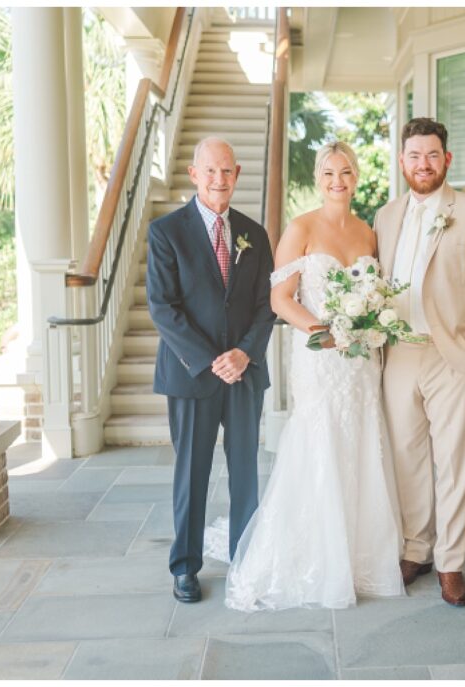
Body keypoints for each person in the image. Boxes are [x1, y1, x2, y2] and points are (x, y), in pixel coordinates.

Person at [223, 141, 405, 611]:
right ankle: (313, 557)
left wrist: (364, 325)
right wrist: (326, 330)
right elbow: (280, 298)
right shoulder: (301, 228)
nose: (337, 181)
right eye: (328, 173)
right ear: (319, 178)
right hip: (320, 355)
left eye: (345, 172)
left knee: (361, 441)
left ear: (356, 176)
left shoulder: (368, 233)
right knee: (320, 440)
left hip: (362, 361)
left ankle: (361, 555)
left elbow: (375, 295)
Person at [374, 118, 465, 607]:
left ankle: (451, 562)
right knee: (407, 459)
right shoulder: (385, 216)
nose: (423, 164)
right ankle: (417, 549)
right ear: (402, 160)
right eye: (414, 155)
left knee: (455, 462)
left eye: (432, 155)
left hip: (453, 355)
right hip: (400, 351)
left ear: (446, 159)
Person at [146, 136, 275, 603]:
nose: (220, 180)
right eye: (211, 171)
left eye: (227, 171)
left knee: (246, 470)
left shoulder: (254, 234)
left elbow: (267, 304)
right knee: (192, 471)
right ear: (193, 173)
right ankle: (185, 566)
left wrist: (244, 353)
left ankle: (246, 558)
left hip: (244, 372)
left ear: (237, 174)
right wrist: (209, 360)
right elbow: (163, 308)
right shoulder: (166, 232)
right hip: (191, 374)